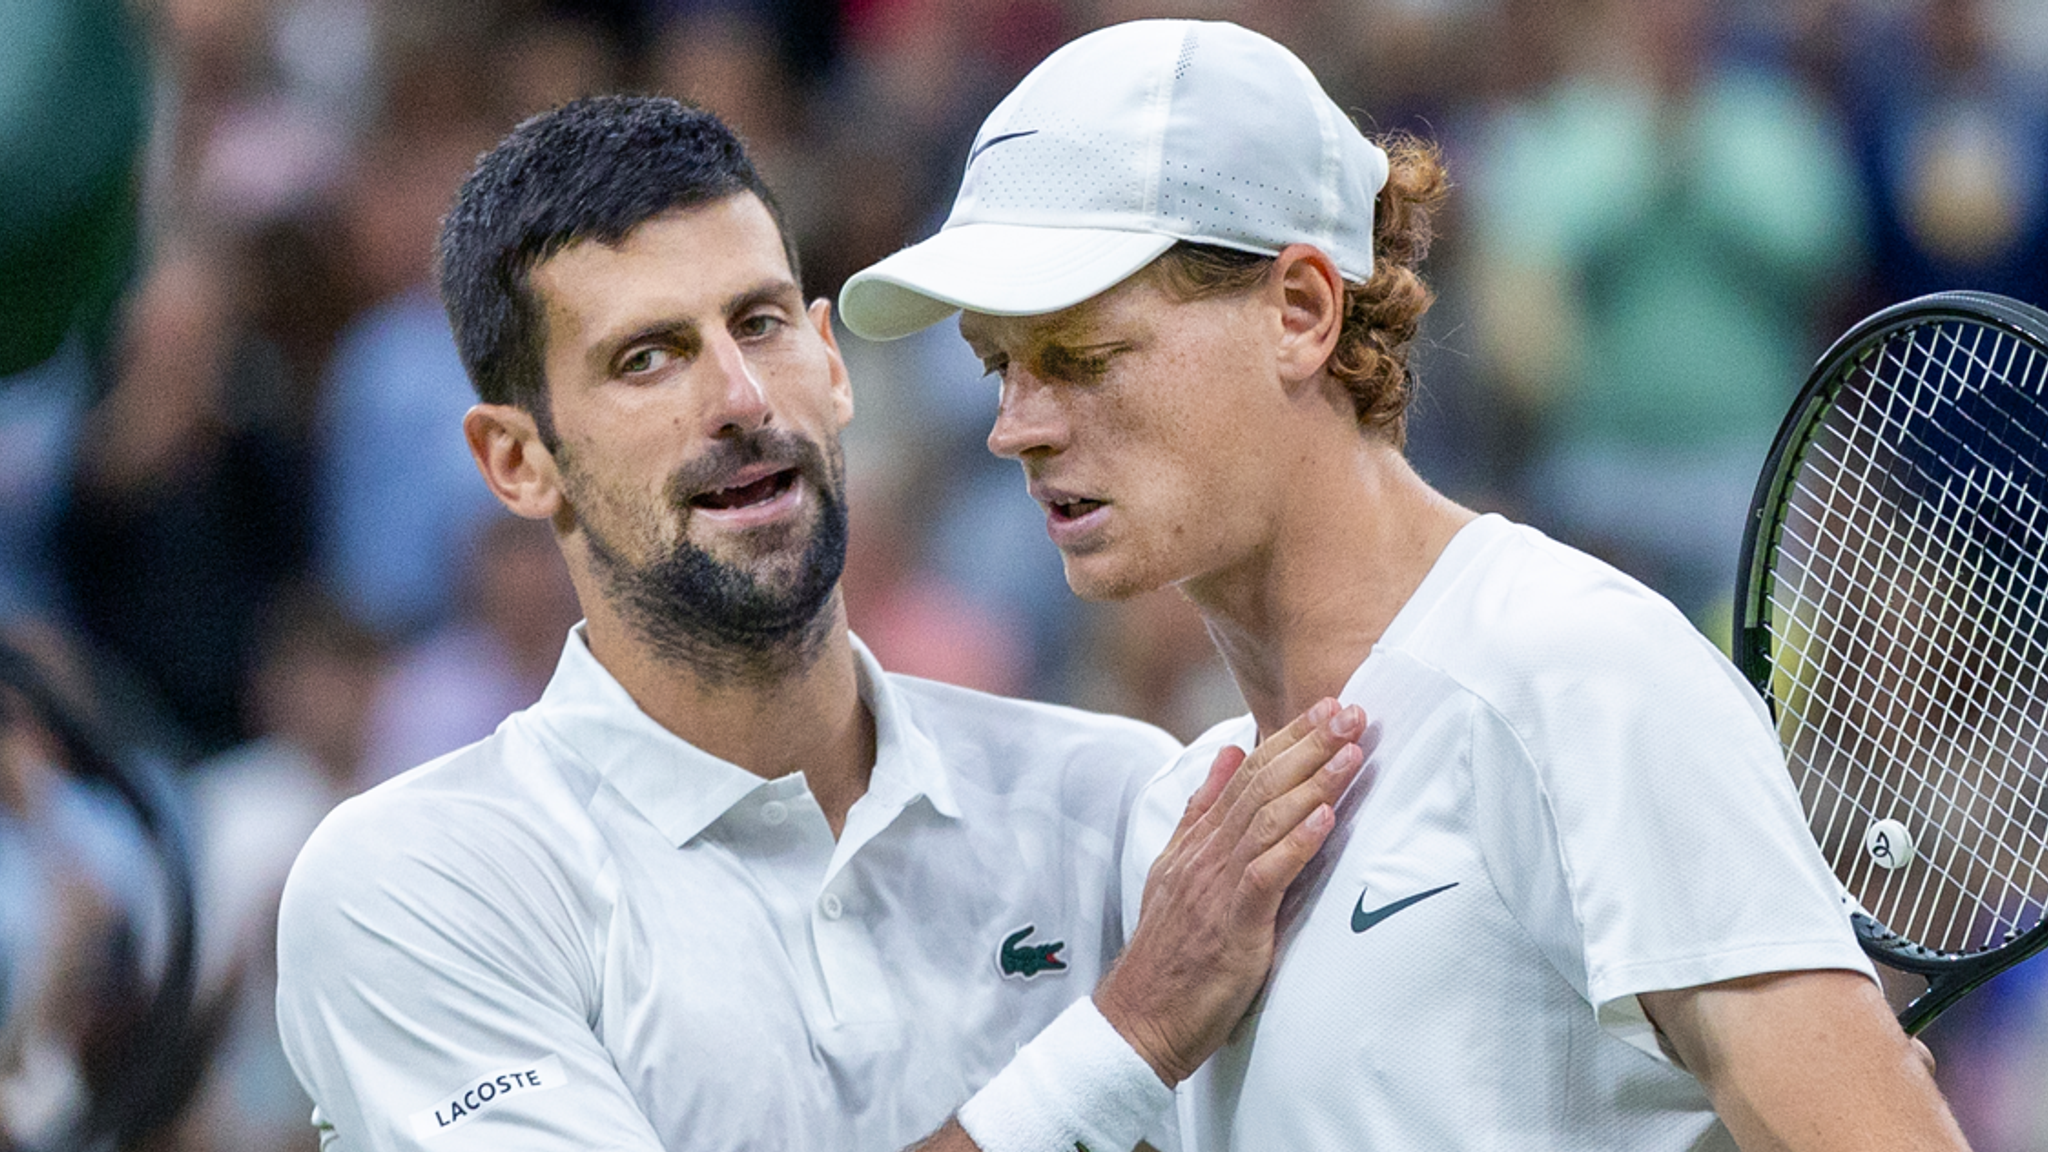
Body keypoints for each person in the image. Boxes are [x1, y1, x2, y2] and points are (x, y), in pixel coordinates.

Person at [840, 18, 1973, 1151]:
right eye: (1000, 366)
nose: (1015, 428)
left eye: (1080, 357)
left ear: (1299, 313)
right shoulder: (1178, 838)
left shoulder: (1576, 675)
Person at [274, 94, 1361, 1152]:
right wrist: (1130, 1035)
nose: (741, 397)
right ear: (518, 460)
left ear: (832, 364)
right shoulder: (422, 882)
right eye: (646, 357)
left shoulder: (1117, 799)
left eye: (758, 323)